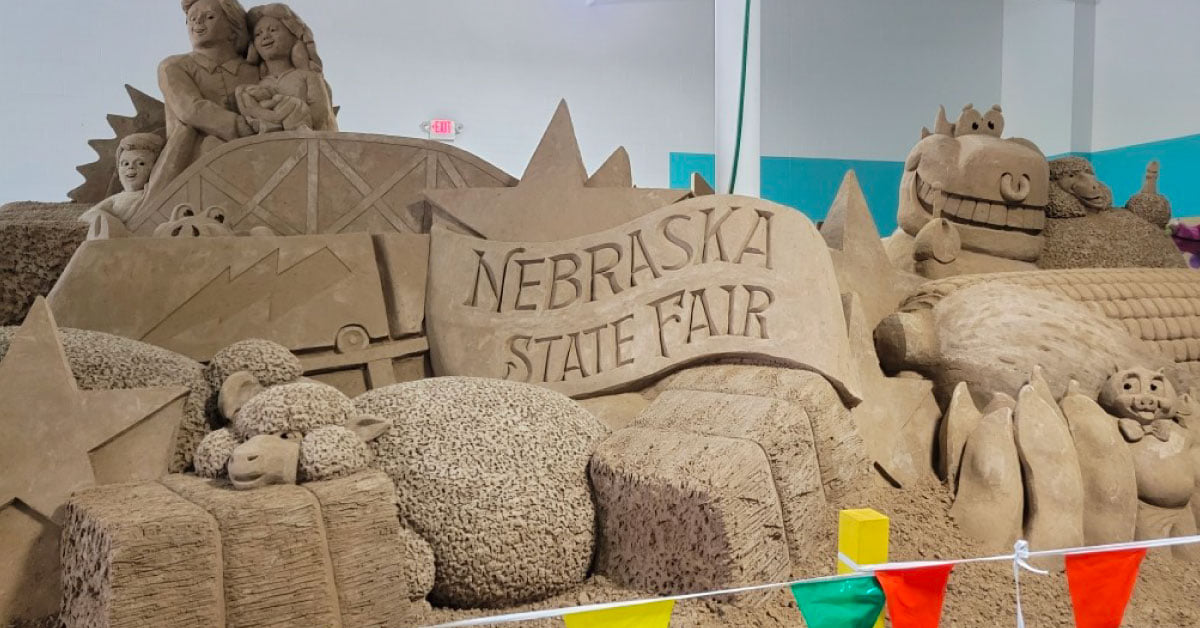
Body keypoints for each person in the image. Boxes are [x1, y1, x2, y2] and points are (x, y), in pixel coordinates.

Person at [144, 0, 260, 200]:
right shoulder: (173, 66)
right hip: (192, 159)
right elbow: (190, 109)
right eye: (191, 19)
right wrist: (241, 126)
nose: (197, 23)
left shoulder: (254, 71)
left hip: (255, 159)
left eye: (209, 17)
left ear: (234, 27)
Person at [236, 4, 337, 133]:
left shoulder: (309, 76)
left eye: (273, 30)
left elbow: (320, 118)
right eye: (258, 34)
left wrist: (293, 107)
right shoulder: (259, 84)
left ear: (293, 37)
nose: (265, 36)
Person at [79, 133, 165, 238]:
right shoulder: (116, 199)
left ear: (154, 168)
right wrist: (112, 223)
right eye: (125, 163)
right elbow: (87, 215)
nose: (131, 167)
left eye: (141, 163)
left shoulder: (151, 192)